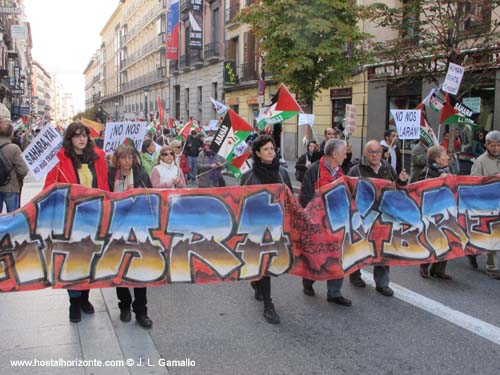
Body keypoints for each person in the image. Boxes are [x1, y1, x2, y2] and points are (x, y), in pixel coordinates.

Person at [44, 122, 109, 323]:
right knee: (72, 262)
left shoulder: (98, 157)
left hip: (93, 218)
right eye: (77, 135)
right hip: (70, 219)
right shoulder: (59, 160)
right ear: (69, 138)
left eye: (85, 135)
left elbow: (105, 185)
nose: (82, 139)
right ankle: (74, 302)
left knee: (89, 260)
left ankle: (85, 298)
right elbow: (48, 188)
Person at [240, 135, 292, 324]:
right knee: (265, 264)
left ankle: (256, 282)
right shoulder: (248, 176)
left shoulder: (282, 173)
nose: (271, 152)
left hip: (277, 226)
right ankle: (268, 306)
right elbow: (241, 204)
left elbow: (290, 199)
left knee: (269, 263)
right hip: (257, 228)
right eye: (266, 149)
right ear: (257, 153)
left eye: (272, 148)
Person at [347, 140, 409, 297]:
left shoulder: (388, 168)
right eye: (371, 152)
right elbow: (348, 191)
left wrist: (402, 181)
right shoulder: (356, 170)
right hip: (363, 217)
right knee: (359, 247)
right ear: (365, 153)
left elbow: (397, 189)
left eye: (378, 152)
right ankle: (355, 275)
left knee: (383, 249)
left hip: (383, 217)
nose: (375, 155)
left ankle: (382, 283)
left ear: (382, 153)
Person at [299, 138, 352, 306]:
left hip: (337, 222)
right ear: (335, 154)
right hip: (318, 223)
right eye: (344, 153)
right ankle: (308, 281)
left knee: (338, 257)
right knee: (315, 256)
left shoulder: (343, 171)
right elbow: (305, 197)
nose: (346, 155)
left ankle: (334, 292)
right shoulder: (314, 170)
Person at [108, 143, 154, 328]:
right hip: (116, 229)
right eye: (123, 158)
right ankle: (124, 306)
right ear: (117, 160)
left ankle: (141, 311)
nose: (127, 161)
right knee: (120, 270)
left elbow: (152, 197)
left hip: (138, 229)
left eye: (130, 157)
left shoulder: (142, 175)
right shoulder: (110, 175)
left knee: (139, 272)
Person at [416, 145, 452, 279]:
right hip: (433, 212)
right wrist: (439, 181)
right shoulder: (426, 172)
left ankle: (439, 269)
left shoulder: (448, 169)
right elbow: (424, 193)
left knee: (447, 239)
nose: (448, 157)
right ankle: (424, 265)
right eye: (445, 155)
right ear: (437, 159)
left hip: (447, 210)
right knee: (432, 239)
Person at [469, 130, 500, 279]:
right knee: (492, 234)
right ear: (487, 145)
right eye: (493, 145)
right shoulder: (480, 161)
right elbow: (473, 183)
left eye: (498, 145)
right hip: (488, 205)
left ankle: (473, 251)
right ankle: (492, 266)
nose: (496, 148)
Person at [0, 117, 28, 213]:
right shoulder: (14, 148)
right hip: (11, 186)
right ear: (11, 132)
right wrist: (18, 178)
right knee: (13, 217)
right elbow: (23, 170)